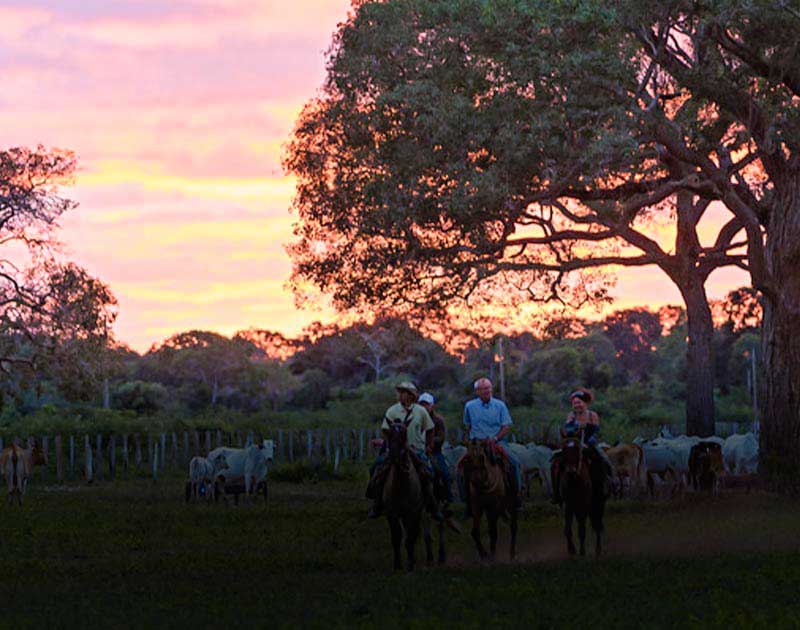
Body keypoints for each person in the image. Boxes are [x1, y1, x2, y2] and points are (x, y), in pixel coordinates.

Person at [366, 381, 444, 521]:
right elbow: (385, 430)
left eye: (403, 392)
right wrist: (390, 441)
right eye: (400, 392)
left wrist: (428, 446)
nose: (400, 395)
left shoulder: (421, 411)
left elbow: (430, 429)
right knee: (377, 468)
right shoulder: (392, 410)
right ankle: (377, 503)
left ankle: (433, 505)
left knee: (433, 471)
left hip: (417, 449)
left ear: (411, 395)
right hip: (396, 450)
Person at [460, 378, 524, 513]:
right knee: (460, 466)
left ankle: (515, 497)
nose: (487, 391)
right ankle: (466, 501)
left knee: (514, 463)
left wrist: (495, 438)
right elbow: (467, 425)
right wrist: (470, 442)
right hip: (476, 444)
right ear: (477, 391)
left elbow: (506, 426)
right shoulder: (469, 406)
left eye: (488, 388)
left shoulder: (500, 405)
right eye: (483, 389)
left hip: (496, 442)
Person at [550, 388, 614, 504]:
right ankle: (556, 492)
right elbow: (568, 431)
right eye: (575, 403)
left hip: (589, 443)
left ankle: (610, 484)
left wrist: (592, 438)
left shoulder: (592, 415)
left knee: (603, 459)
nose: (577, 405)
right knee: (556, 461)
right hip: (574, 443)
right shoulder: (571, 415)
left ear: (585, 403)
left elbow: (596, 430)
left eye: (579, 402)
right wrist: (572, 431)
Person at [418, 392, 454, 504]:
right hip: (416, 450)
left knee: (444, 472)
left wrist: (431, 442)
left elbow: (441, 437)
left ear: (432, 406)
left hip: (434, 452)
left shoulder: (438, 420)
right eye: (422, 404)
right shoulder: (414, 418)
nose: (424, 407)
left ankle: (448, 498)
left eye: (427, 405)